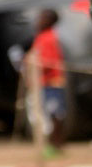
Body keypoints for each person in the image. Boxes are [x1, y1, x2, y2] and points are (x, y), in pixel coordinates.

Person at [25, 8, 67, 157]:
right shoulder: (41, 37)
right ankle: (52, 145)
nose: (38, 21)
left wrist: (33, 64)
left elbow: (48, 62)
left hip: (51, 83)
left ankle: (55, 144)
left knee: (54, 114)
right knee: (47, 115)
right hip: (43, 83)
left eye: (42, 18)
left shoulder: (48, 38)